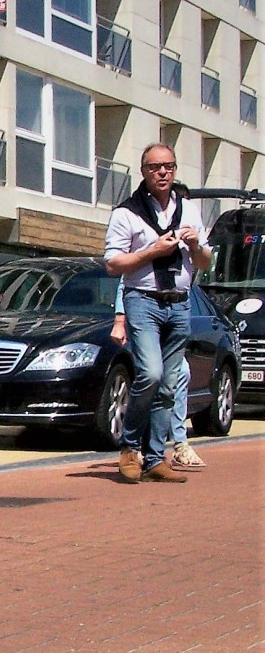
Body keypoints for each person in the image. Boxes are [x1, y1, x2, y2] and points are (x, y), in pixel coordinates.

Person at [105, 144, 212, 483]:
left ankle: (154, 457)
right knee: (150, 374)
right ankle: (130, 447)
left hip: (180, 302)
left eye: (168, 166)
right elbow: (112, 263)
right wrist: (152, 251)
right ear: (144, 172)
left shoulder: (190, 211)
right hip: (144, 300)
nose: (163, 173)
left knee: (169, 383)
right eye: (155, 167)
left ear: (175, 170)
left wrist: (195, 246)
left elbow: (206, 263)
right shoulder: (128, 213)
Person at [111, 282, 205, 470]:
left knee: (179, 375)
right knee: (151, 376)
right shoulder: (143, 259)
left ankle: (175, 445)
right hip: (144, 313)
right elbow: (125, 280)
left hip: (174, 313)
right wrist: (119, 321)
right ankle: (132, 446)